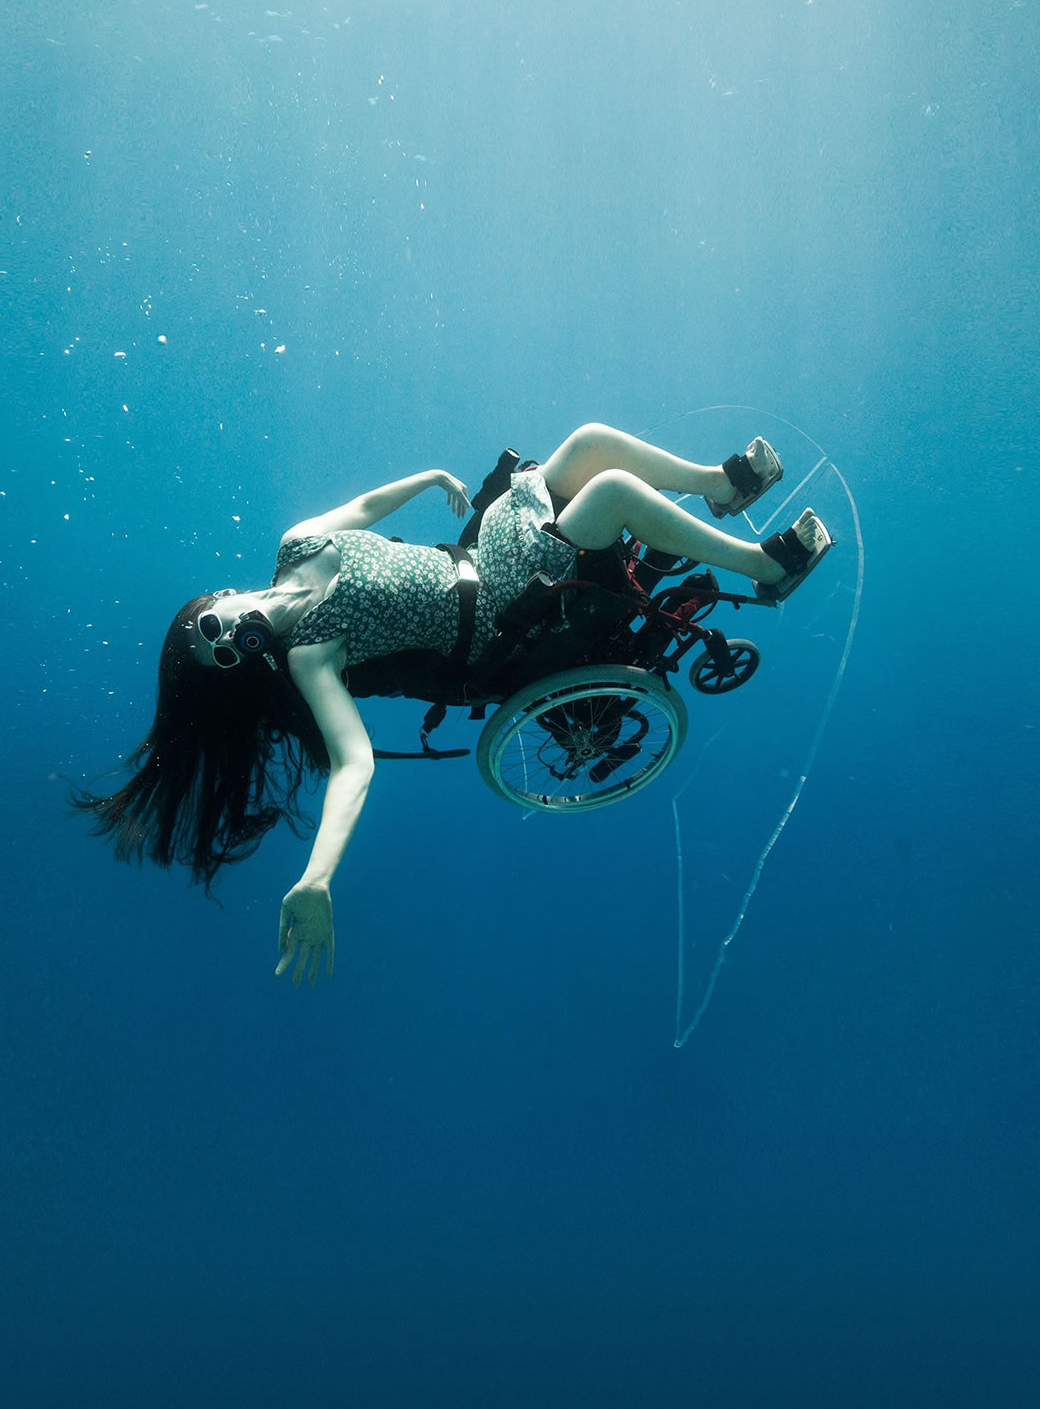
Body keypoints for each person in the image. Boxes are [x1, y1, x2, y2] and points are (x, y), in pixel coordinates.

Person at [76, 422, 833, 987]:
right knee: (607, 494)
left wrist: (431, 478)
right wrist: (318, 876)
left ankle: (719, 487)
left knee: (587, 443)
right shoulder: (310, 657)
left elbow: (368, 505)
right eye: (222, 652)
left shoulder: (296, 544)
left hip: (486, 547)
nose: (229, 633)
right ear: (242, 668)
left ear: (220, 595)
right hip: (501, 615)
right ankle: (764, 568)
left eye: (211, 621)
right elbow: (353, 765)